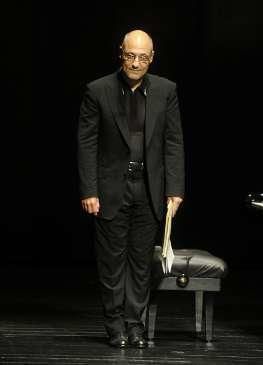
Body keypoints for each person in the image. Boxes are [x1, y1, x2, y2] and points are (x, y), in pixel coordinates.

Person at [77, 29, 185, 348]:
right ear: (120, 53)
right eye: (130, 55)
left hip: (150, 188)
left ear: (151, 58)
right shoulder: (98, 91)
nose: (135, 62)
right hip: (111, 188)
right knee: (111, 262)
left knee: (140, 262)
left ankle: (134, 325)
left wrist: (175, 189)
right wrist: (88, 190)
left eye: (143, 57)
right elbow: (86, 143)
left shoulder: (166, 91)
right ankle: (114, 325)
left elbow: (173, 142)